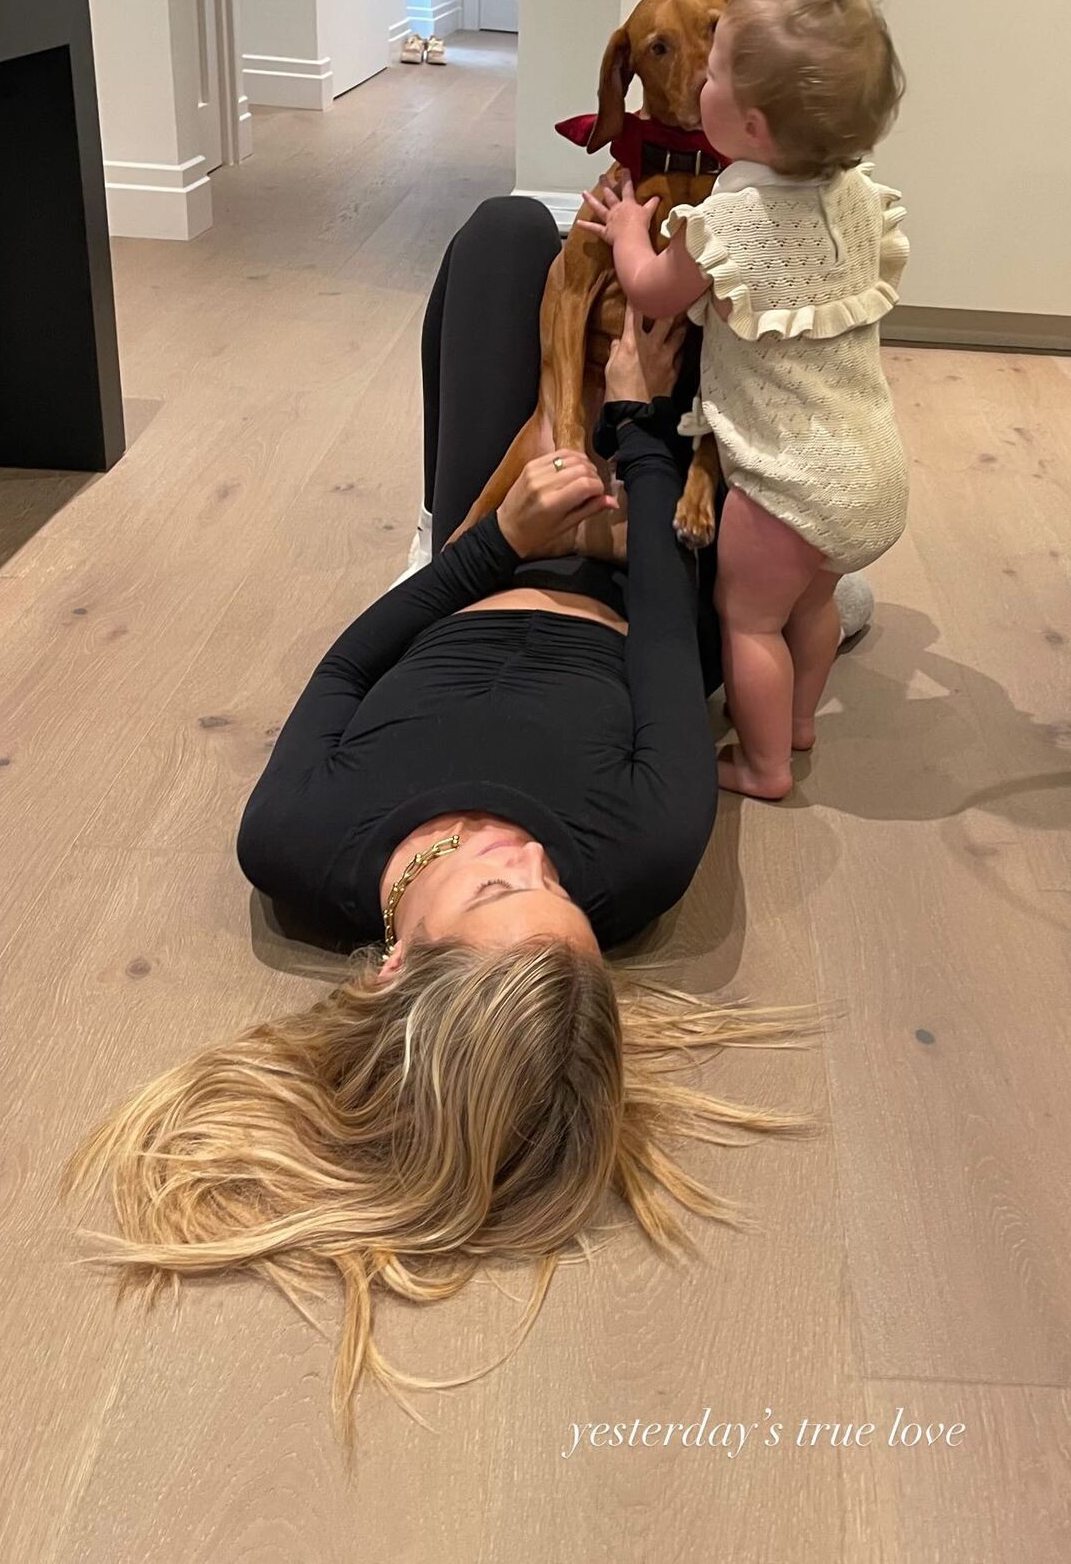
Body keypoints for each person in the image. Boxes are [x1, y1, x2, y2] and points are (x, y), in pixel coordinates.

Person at [67, 197, 824, 1449]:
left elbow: (348, 668)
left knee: (499, 236)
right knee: (676, 303)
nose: (529, 855)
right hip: (636, 575)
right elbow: (659, 647)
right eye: (559, 896)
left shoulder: (298, 839)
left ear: (395, 961)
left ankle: (459, 506)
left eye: (493, 888)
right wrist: (638, 428)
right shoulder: (640, 850)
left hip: (481, 554)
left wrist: (492, 542)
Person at [580, 0, 908, 801]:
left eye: (716, 68)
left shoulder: (732, 219)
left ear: (753, 127)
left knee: (751, 620)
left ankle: (764, 764)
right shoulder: (859, 194)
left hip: (786, 482)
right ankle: (800, 723)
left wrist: (627, 231)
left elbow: (652, 289)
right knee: (814, 607)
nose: (698, 80)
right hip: (872, 467)